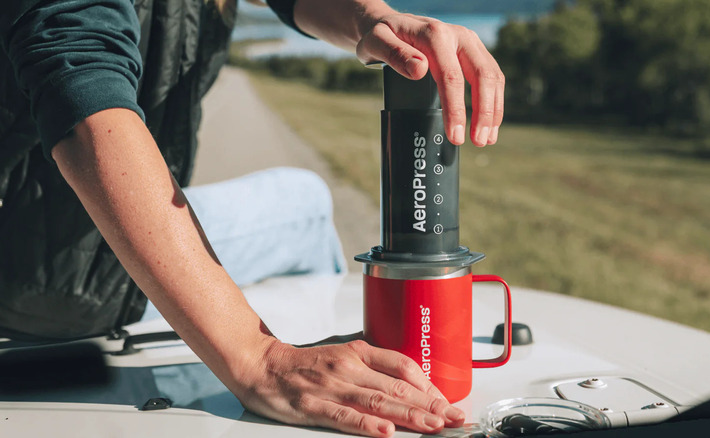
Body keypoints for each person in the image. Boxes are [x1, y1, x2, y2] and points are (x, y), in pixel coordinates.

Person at [0, 0, 505, 436]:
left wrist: (374, 18)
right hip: (36, 269)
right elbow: (80, 86)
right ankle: (320, 386)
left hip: (57, 239)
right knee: (305, 209)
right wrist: (258, 358)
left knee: (302, 202)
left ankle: (344, 378)